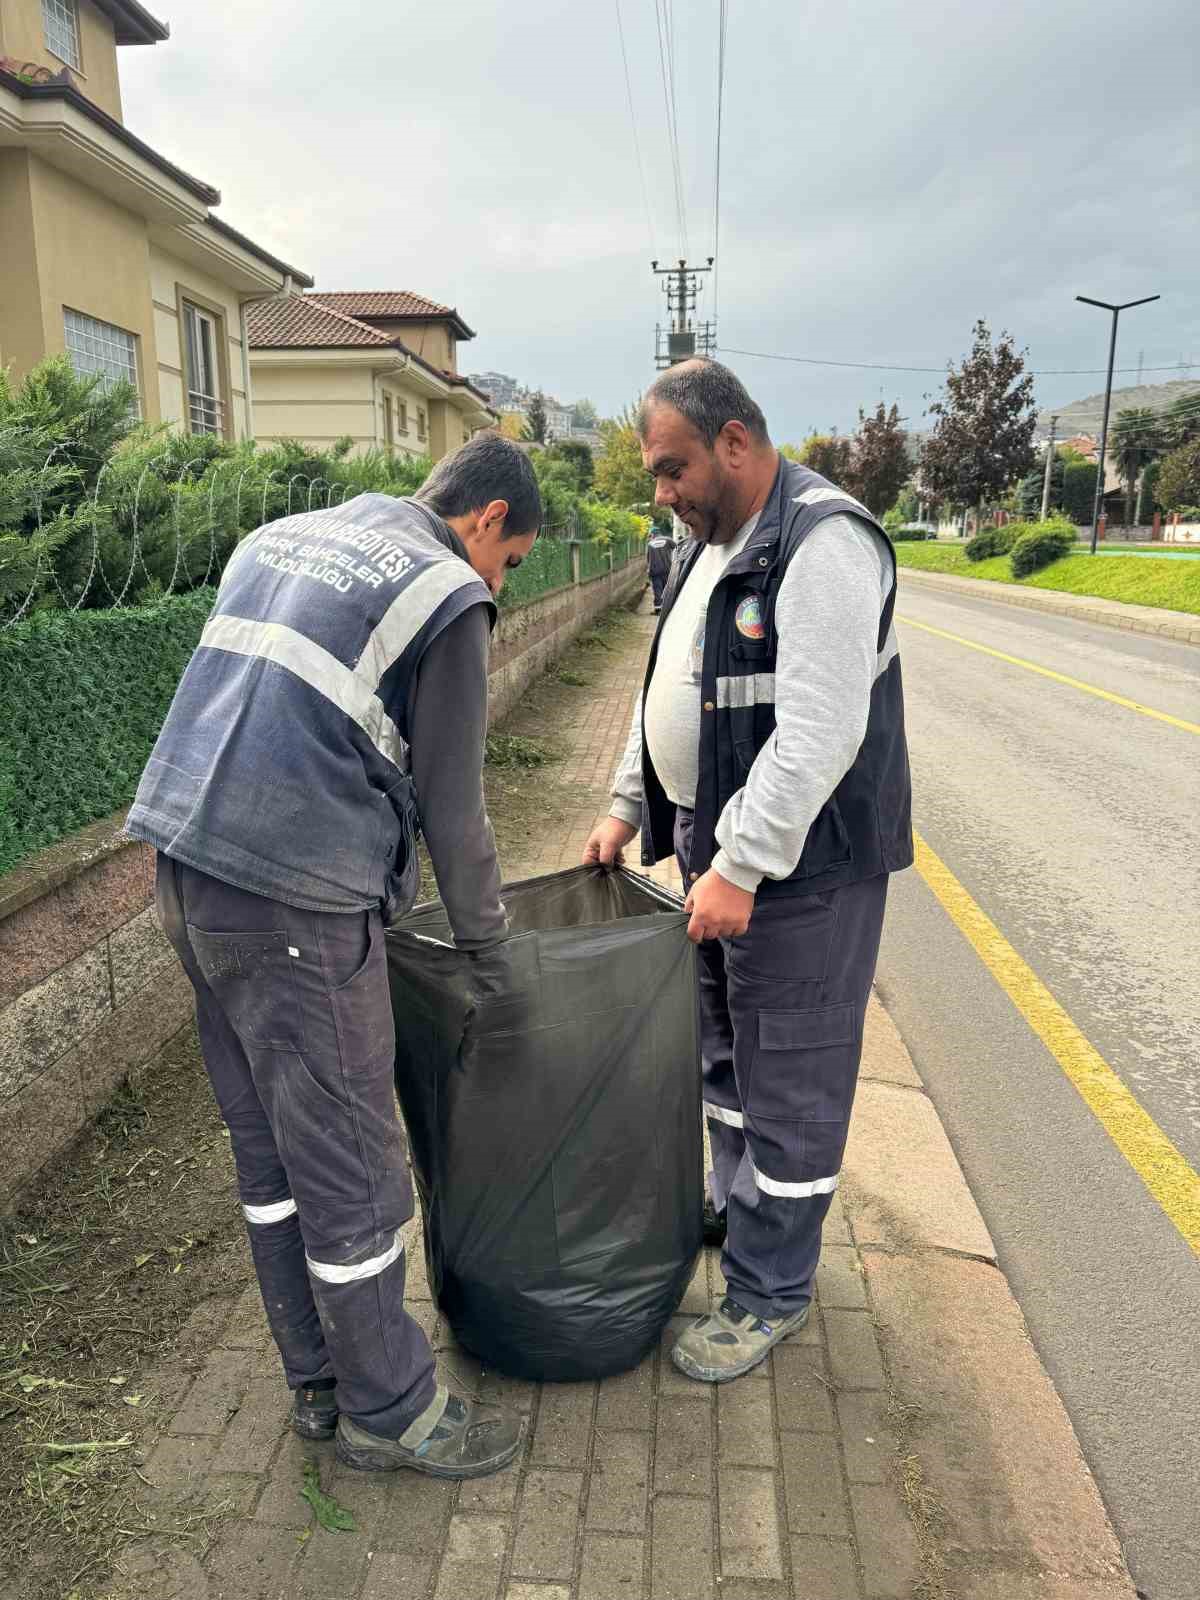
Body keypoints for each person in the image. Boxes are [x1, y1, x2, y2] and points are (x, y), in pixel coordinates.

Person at [127, 434, 539, 1476]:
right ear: (487, 519)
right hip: (297, 905)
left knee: (270, 1149)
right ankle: (390, 1409)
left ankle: (315, 1375)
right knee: (353, 1168)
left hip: (183, 869)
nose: (500, 582)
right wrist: (490, 955)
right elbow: (456, 809)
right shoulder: (446, 591)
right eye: (514, 559)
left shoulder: (287, 532)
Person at [582, 360, 912, 1384]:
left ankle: (772, 1293)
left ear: (735, 442)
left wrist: (741, 865)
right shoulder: (710, 544)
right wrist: (626, 803)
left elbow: (820, 730)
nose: (662, 491)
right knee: (723, 1052)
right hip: (715, 858)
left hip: (800, 873)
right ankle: (735, 1205)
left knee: (791, 1077)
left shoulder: (825, 542)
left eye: (673, 467)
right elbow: (667, 689)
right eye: (655, 473)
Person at [646, 522, 675, 612]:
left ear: (653, 534)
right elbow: (677, 548)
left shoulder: (650, 544)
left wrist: (649, 571)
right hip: (667, 568)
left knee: (657, 589)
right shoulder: (667, 540)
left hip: (655, 571)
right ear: (659, 533)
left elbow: (648, 559)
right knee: (667, 588)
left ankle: (658, 609)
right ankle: (668, 608)